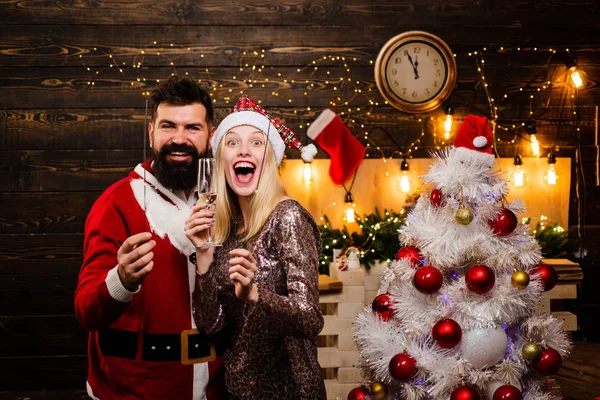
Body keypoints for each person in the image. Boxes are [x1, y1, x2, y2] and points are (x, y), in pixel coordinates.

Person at [74, 76, 227, 400]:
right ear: (151, 132)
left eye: (193, 128)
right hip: (134, 391)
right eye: (168, 126)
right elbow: (87, 310)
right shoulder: (118, 203)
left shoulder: (224, 200)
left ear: (210, 136)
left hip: (215, 390)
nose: (179, 139)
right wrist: (122, 279)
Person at [184, 94, 326, 399]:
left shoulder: (287, 217)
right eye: (233, 142)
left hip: (290, 391)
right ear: (221, 158)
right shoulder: (230, 230)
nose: (244, 150)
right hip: (239, 390)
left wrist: (256, 295)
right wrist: (204, 255)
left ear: (271, 158)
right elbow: (211, 326)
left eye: (257, 142)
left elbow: (311, 319)